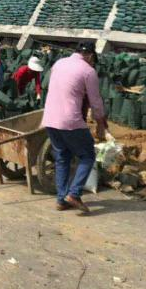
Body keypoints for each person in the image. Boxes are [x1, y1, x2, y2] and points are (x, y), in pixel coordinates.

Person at [42, 41, 108, 213]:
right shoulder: (88, 71)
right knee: (87, 155)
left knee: (62, 157)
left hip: (50, 118)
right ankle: (74, 193)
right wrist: (101, 124)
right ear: (91, 55)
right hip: (70, 121)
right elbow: (96, 102)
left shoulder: (59, 63)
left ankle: (61, 199)